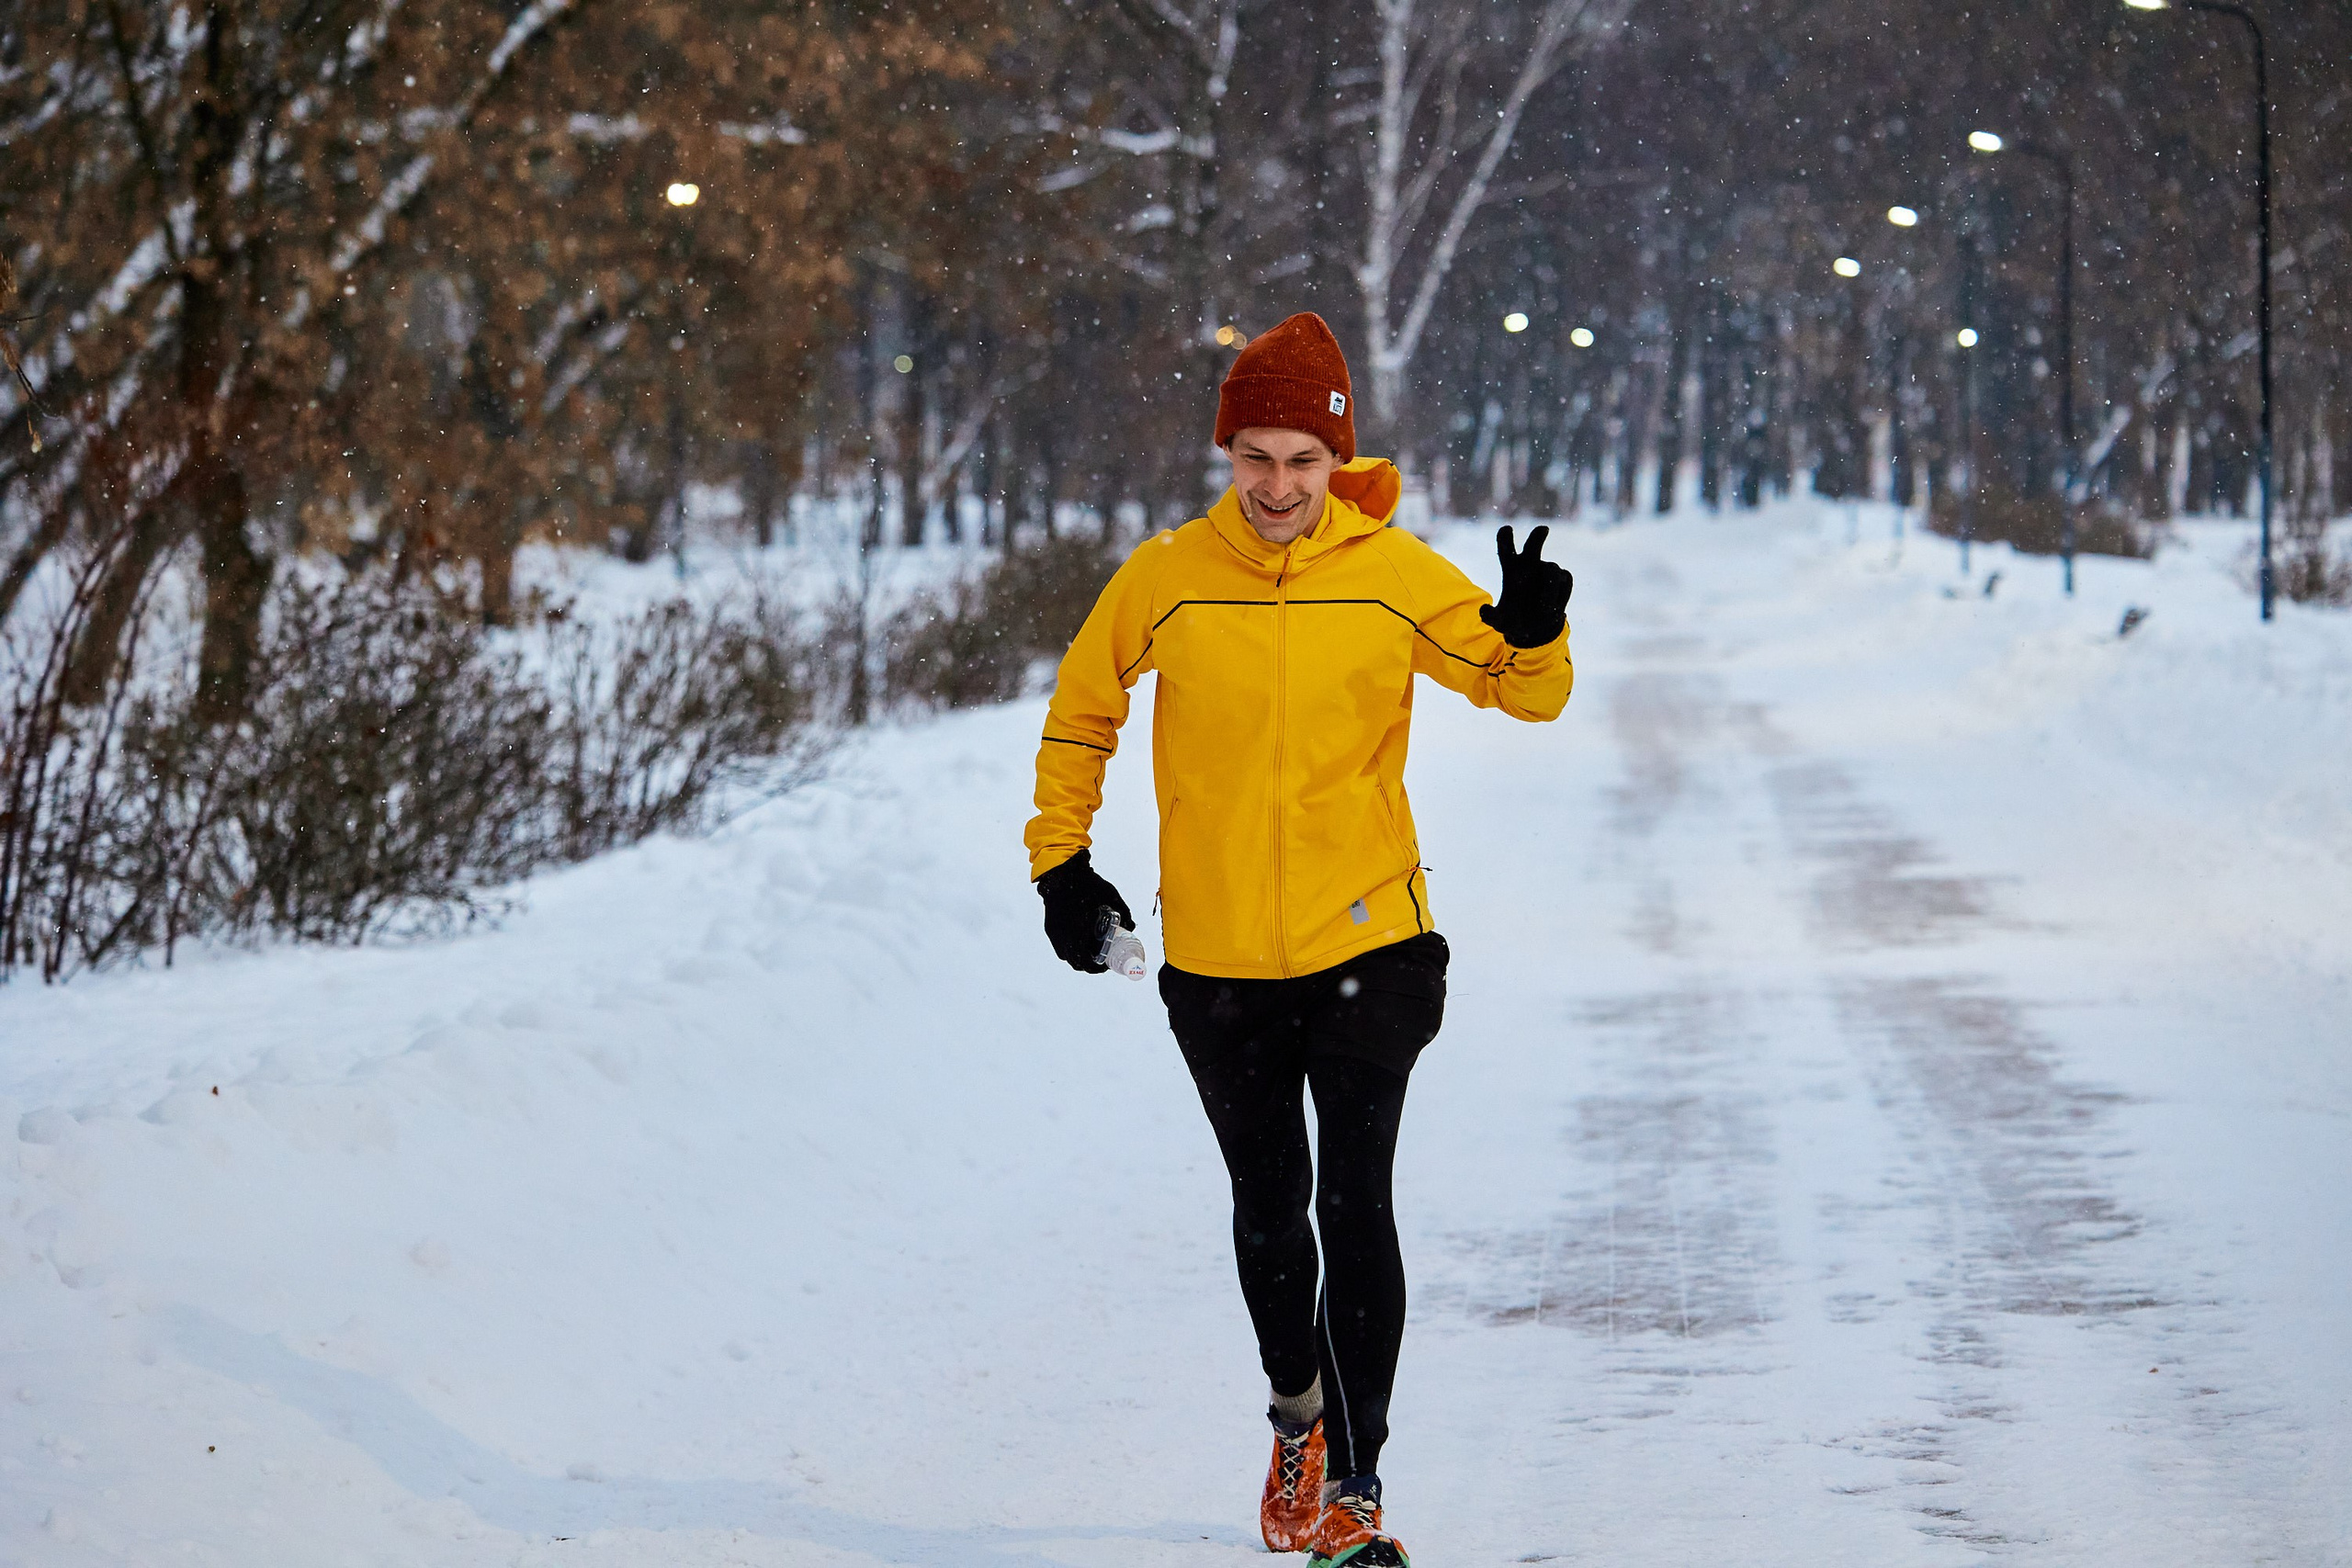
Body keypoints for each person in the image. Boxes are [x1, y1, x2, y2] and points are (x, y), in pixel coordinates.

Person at [1023, 312, 1573, 1568]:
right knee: (1271, 1208)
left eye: (1303, 462)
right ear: (1229, 454)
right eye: (1257, 458)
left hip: (1373, 941)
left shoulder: (1394, 571)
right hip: (1218, 958)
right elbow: (1080, 715)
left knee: (1351, 1195)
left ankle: (1358, 1488)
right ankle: (1298, 1419)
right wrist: (1062, 863)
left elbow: (1523, 691)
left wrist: (1535, 633)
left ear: (1338, 464)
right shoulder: (1165, 576)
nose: (1278, 487)